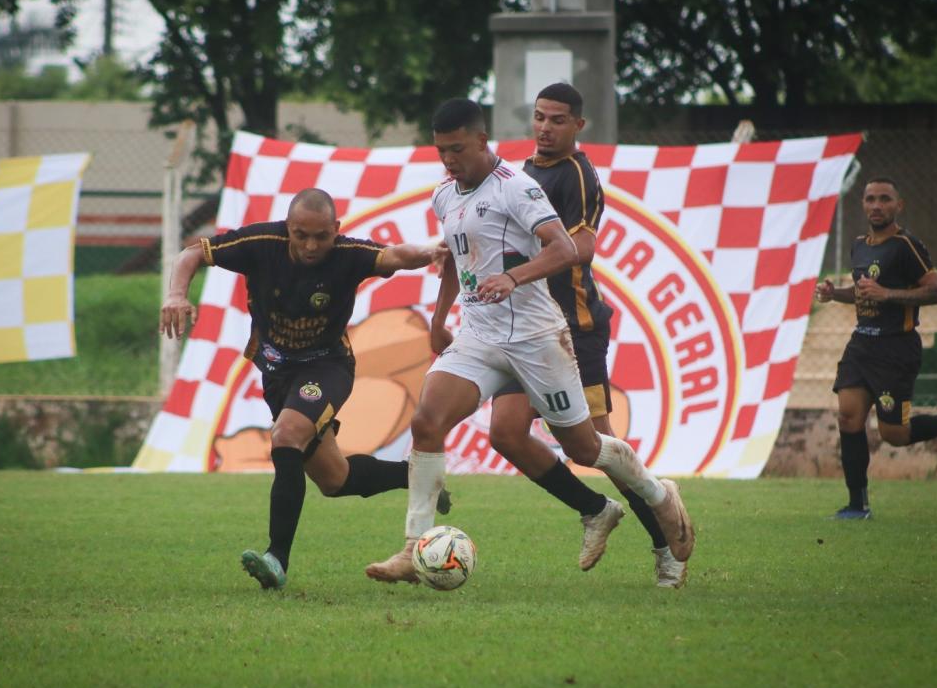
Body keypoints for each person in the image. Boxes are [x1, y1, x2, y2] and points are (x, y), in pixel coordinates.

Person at [365, 99, 695, 584]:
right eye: (441, 151)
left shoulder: (518, 188)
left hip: (538, 337)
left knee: (584, 448)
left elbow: (566, 247)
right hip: (480, 334)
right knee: (427, 420)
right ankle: (415, 547)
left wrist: (514, 278)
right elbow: (458, 258)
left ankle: (659, 495)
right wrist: (439, 318)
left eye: (457, 149)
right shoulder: (444, 195)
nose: (449, 160)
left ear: (482, 140)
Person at [161, 188, 449, 589]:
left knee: (287, 435)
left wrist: (432, 251)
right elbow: (192, 253)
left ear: (337, 230)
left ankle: (276, 559)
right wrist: (176, 293)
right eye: (300, 235)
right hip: (278, 376)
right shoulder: (260, 243)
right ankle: (413, 476)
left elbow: (393, 255)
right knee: (334, 480)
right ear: (288, 228)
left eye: (321, 236)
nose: (311, 246)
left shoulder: (348, 255)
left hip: (327, 367)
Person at [472, 82, 683, 588]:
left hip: (574, 328)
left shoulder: (577, 176)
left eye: (558, 120)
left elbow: (581, 247)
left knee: (596, 446)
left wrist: (518, 272)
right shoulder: (520, 174)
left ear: (578, 126)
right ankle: (594, 510)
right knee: (505, 433)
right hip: (526, 330)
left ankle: (667, 540)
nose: (545, 127)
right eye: (540, 117)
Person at [815, 177, 937, 520]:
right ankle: (857, 506)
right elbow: (863, 293)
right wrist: (835, 293)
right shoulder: (859, 245)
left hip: (896, 349)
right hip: (862, 345)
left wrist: (888, 294)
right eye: (871, 199)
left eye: (885, 199)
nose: (877, 205)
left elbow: (936, 293)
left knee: (894, 435)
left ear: (898, 205)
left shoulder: (907, 246)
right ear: (863, 204)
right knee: (848, 416)